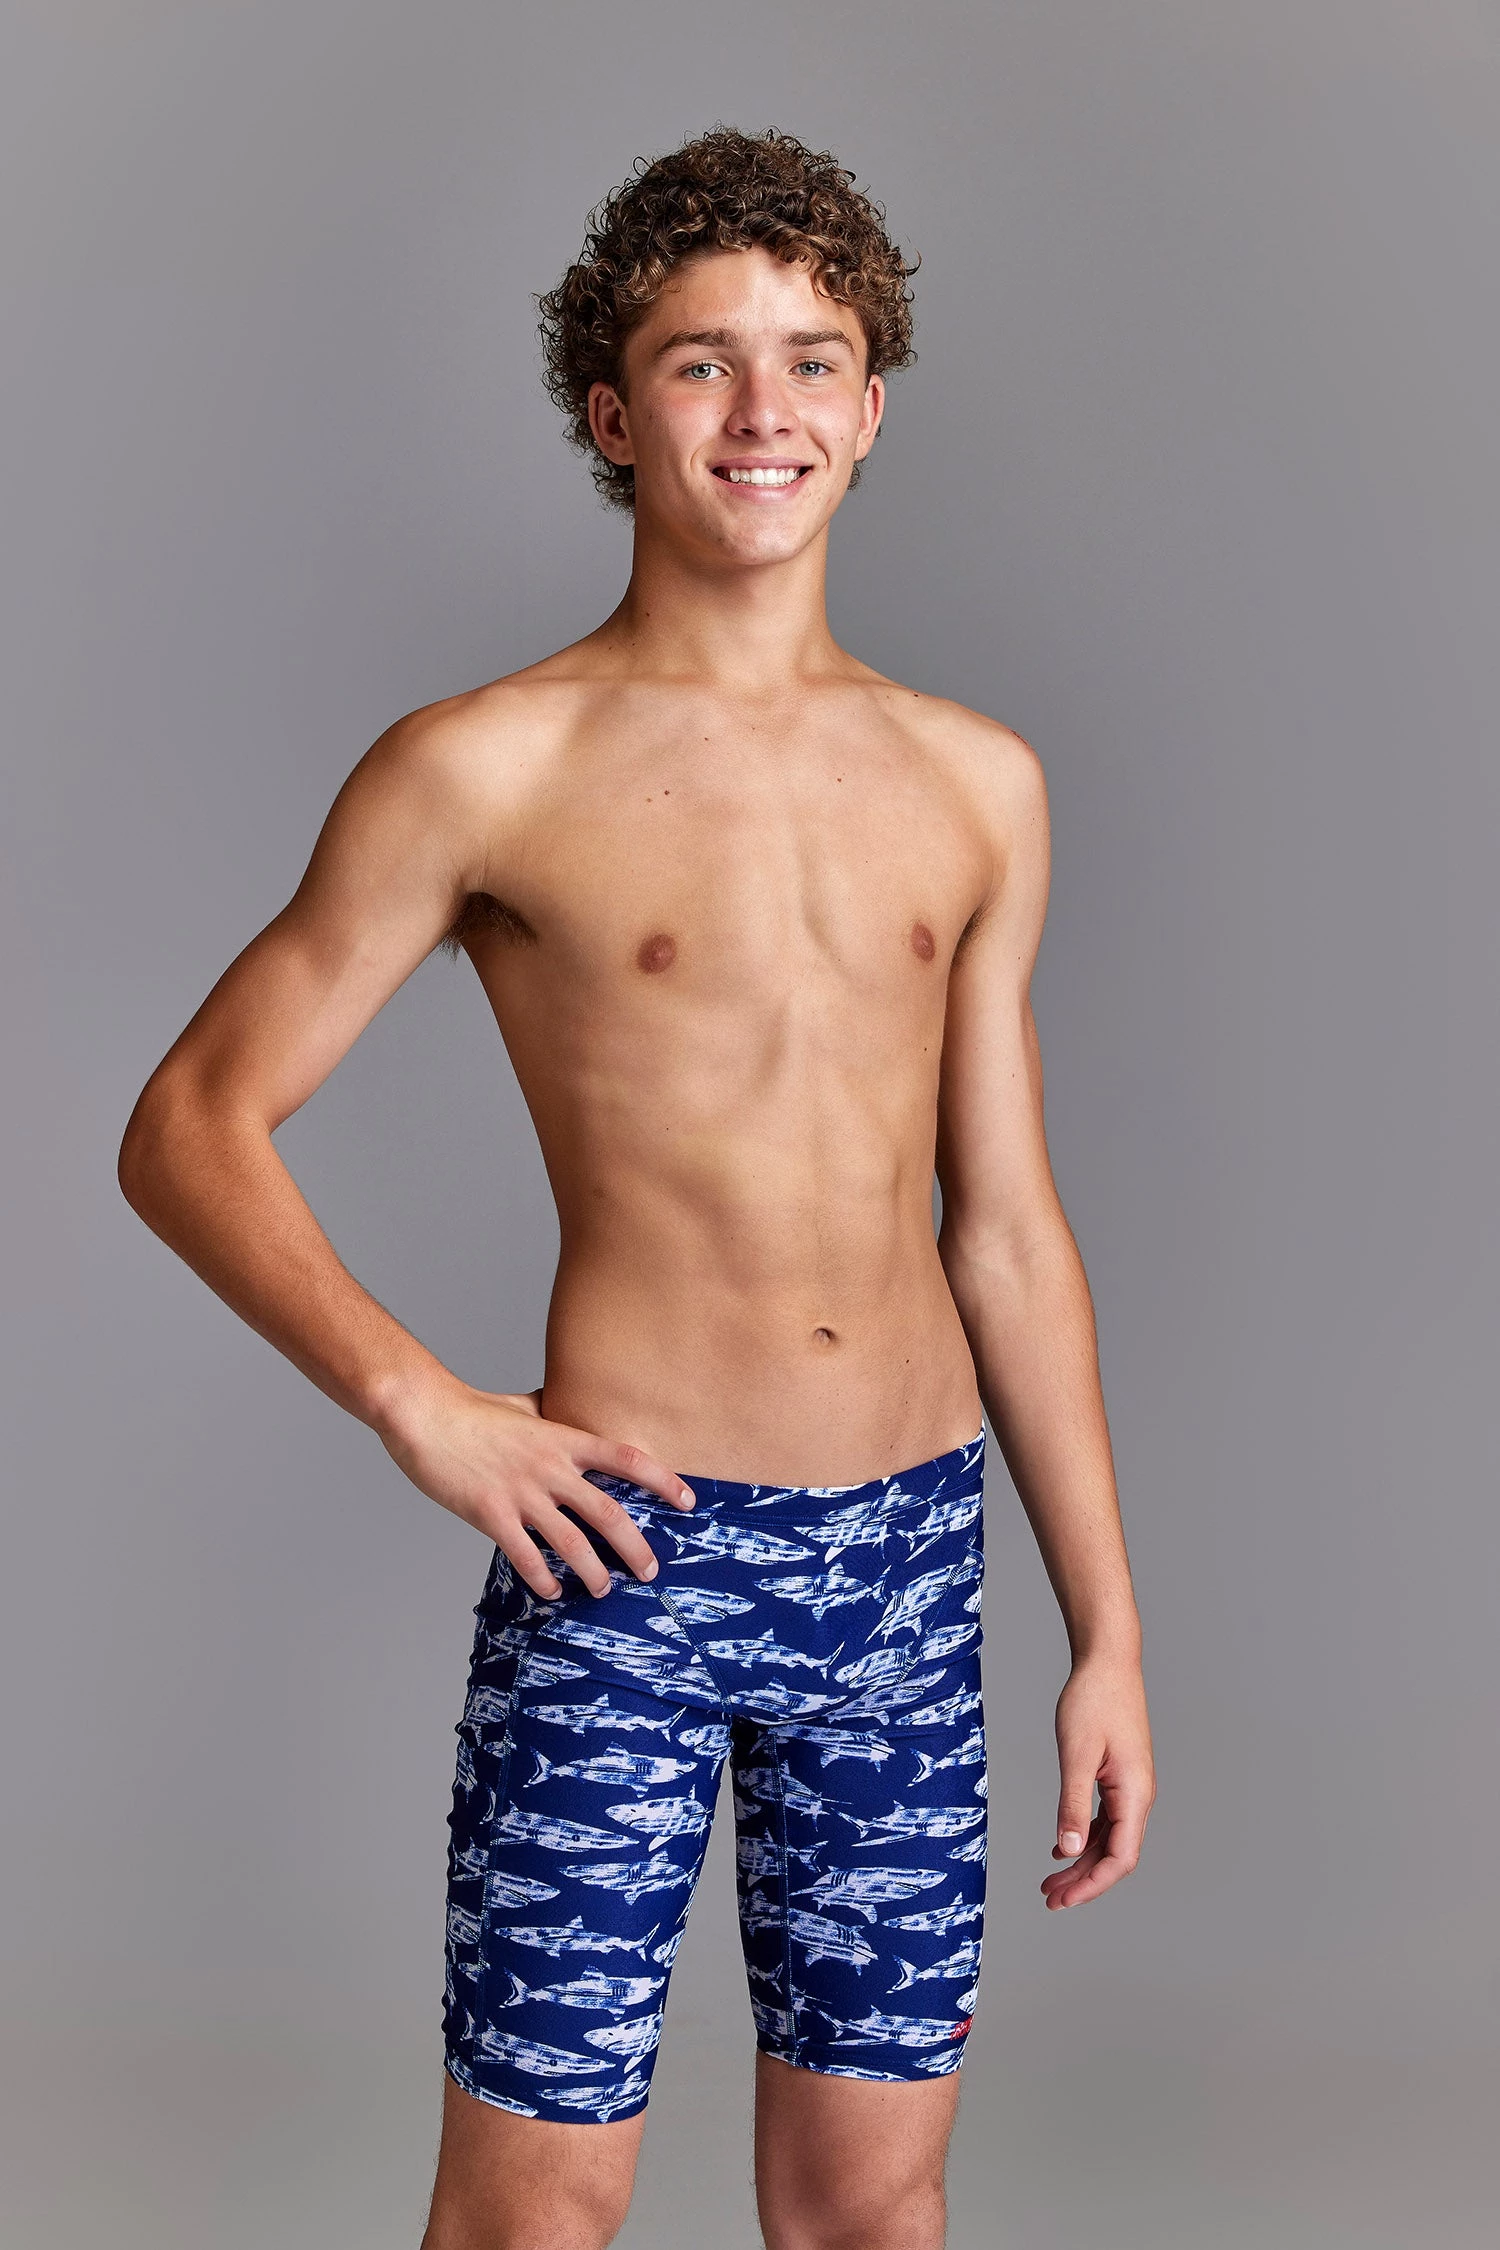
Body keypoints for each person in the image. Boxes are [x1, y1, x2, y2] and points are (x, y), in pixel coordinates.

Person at [119, 126, 1155, 2250]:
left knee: (871, 2208)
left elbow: (1007, 1233)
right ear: (612, 415)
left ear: (871, 409)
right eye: (702, 364)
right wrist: (421, 1405)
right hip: (631, 1560)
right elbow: (191, 1122)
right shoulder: (486, 766)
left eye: (812, 360)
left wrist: (1108, 1630)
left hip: (907, 1570)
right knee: (532, 2215)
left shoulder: (980, 784)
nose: (764, 410)